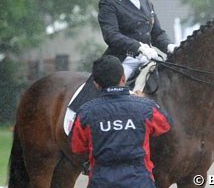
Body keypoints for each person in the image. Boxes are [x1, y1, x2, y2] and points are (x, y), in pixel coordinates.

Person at [71, 55, 172, 188]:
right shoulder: (146, 108)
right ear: (123, 78)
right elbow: (165, 126)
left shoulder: (85, 112)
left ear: (96, 84)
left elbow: (77, 147)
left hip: (101, 182)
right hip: (140, 182)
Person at [98, 0, 177, 81]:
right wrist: (139, 47)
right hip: (123, 61)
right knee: (115, 88)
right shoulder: (109, 3)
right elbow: (111, 35)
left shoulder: (146, 2)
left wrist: (170, 46)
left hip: (148, 58)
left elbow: (157, 34)